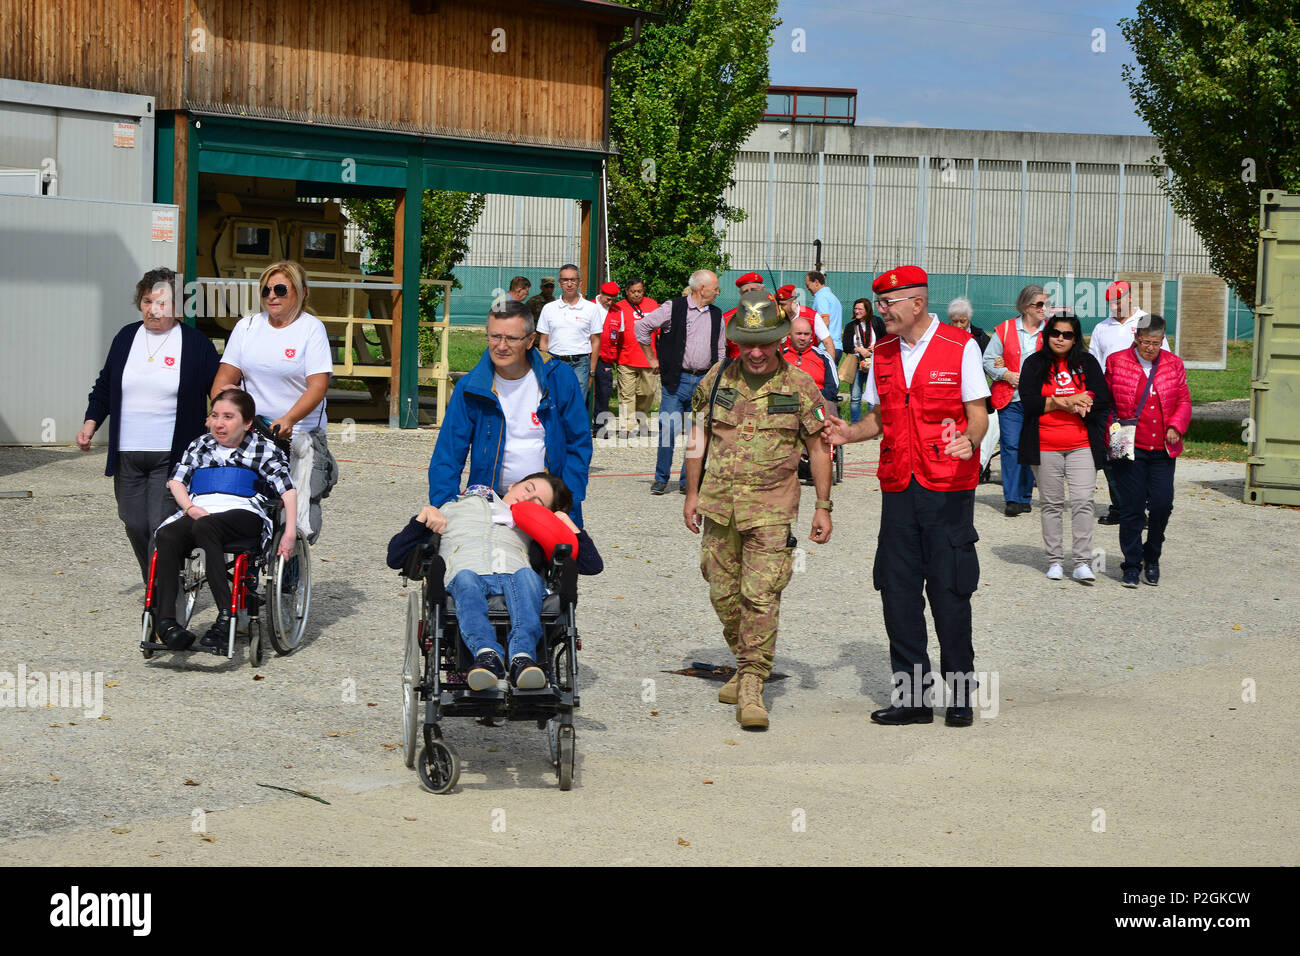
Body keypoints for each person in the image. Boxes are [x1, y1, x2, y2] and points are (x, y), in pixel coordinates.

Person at [823, 266, 989, 728]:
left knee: (950, 591)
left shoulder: (962, 347)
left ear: (916, 303)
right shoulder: (884, 353)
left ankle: (959, 695)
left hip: (947, 489)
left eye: (888, 303)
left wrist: (970, 442)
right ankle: (912, 698)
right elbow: (880, 418)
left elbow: (978, 414)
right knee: (897, 593)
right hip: (898, 486)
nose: (881, 311)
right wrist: (848, 432)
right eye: (878, 304)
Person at [684, 291, 833, 730]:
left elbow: (819, 449)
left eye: (764, 342)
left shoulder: (800, 386)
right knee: (721, 591)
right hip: (719, 504)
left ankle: (752, 680)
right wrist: (690, 495)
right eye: (747, 342)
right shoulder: (716, 380)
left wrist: (823, 505)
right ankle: (747, 660)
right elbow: (698, 439)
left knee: (760, 594)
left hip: (772, 507)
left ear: (780, 341)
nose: (755, 351)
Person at [77, 267, 220, 584]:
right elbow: (104, 388)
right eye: (147, 301)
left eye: (162, 303)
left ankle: (159, 602)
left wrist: (223, 420)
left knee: (160, 525)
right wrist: (91, 423)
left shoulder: (196, 345)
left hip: (171, 455)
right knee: (133, 523)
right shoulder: (126, 337)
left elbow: (219, 391)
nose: (153, 310)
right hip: (128, 452)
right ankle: (157, 581)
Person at [405, 473, 601, 689]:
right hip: (466, 573)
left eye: (537, 502)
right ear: (513, 485)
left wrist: (566, 523)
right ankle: (487, 656)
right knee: (465, 577)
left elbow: (592, 565)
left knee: (527, 576)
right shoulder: (451, 509)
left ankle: (522, 657)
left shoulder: (533, 528)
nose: (527, 499)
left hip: (515, 576)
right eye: (528, 489)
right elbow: (395, 557)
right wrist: (422, 517)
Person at [151, 389, 296, 650]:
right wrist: (190, 508)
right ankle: (167, 623)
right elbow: (176, 482)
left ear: (247, 422)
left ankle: (226, 615)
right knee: (167, 534)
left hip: (244, 513)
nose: (219, 423)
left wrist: (289, 533)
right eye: (215, 415)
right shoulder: (200, 445)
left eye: (228, 417)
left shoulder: (263, 448)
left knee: (205, 526)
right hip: (201, 511)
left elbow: (288, 490)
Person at [428, 298, 593, 527]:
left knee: (569, 560)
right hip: (489, 504)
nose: (501, 346)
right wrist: (445, 507)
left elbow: (579, 444)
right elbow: (448, 455)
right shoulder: (470, 388)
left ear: (530, 340)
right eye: (495, 336)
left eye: (511, 338)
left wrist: (567, 502)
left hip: (548, 508)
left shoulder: (559, 378)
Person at [210, 259, 337, 542]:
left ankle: (289, 568)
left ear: (302, 293)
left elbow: (317, 387)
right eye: (266, 290)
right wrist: (226, 411)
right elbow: (223, 380)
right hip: (253, 430)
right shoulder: (247, 327)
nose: (272, 296)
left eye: (281, 289)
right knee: (245, 498)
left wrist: (289, 419)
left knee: (296, 511)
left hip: (298, 432)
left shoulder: (311, 329)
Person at [1018, 312, 1113, 583]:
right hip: (1045, 444)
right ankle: (1055, 561)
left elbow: (1100, 396)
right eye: (1055, 333)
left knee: (1083, 502)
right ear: (1047, 335)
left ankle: (1082, 562)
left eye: (1067, 334)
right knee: (1052, 504)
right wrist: (1064, 401)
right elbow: (1029, 402)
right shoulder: (1035, 363)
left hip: (1081, 444)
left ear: (1075, 339)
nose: (1060, 338)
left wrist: (1086, 400)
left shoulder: (1087, 362)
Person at [1104, 314, 1191, 588]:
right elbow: (1106, 402)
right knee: (1131, 509)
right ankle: (1131, 564)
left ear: (1162, 340)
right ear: (1136, 338)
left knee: (1162, 505)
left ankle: (1151, 557)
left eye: (1156, 343)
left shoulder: (1174, 364)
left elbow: (1184, 401)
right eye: (1145, 342)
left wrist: (1177, 424)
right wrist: (1113, 431)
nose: (1150, 348)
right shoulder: (1117, 361)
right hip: (1131, 447)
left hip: (1162, 449)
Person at [634, 269, 726, 495]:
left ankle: (688, 481)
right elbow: (642, 327)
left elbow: (721, 348)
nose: (718, 292)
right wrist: (651, 358)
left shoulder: (716, 313)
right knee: (669, 429)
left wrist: (719, 375)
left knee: (699, 432)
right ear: (701, 288)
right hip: (677, 379)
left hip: (704, 380)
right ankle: (661, 478)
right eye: (715, 288)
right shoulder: (673, 307)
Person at [1089, 279, 1170, 526]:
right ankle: (1121, 506)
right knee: (1117, 456)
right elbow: (1094, 365)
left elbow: (1165, 359)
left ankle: (1140, 507)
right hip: (1115, 404)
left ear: (1131, 298)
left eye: (1118, 300)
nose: (1114, 306)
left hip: (1145, 402)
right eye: (1110, 303)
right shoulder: (1102, 328)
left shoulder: (1147, 323)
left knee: (1143, 455)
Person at [983, 284, 1047, 517]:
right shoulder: (1005, 329)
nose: (1044, 308)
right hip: (1010, 399)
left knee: (1031, 447)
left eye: (1045, 304)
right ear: (1025, 306)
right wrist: (1005, 374)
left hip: (1039, 401)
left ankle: (1025, 495)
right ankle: (1011, 497)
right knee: (1011, 447)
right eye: (1039, 304)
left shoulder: (1050, 332)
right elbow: (989, 359)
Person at [537, 263, 603, 404]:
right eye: (565, 280)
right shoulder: (549, 308)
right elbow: (544, 341)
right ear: (560, 283)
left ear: (580, 283)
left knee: (576, 404)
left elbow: (596, 341)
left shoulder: (591, 308)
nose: (569, 284)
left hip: (581, 364)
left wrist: (592, 371)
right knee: (555, 402)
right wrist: (545, 366)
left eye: (573, 280)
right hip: (555, 362)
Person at [948, 297, 999, 476]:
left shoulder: (980, 336)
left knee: (980, 427)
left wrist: (997, 363)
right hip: (952, 392)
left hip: (975, 391)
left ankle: (980, 466)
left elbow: (988, 360)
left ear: (969, 319)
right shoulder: (945, 336)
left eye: (963, 321)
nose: (960, 325)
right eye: (955, 321)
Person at [611, 278, 659, 437]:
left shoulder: (653, 305)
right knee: (626, 394)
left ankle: (640, 419)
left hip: (648, 359)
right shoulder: (618, 307)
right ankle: (628, 427)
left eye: (639, 291)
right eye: (633, 291)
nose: (637, 294)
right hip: (626, 358)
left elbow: (660, 332)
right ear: (627, 292)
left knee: (648, 392)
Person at [842, 297, 885, 423]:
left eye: (860, 309)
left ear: (867, 310)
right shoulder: (850, 326)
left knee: (872, 397)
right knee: (855, 397)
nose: (857, 311)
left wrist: (876, 347)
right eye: (855, 308)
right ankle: (856, 424)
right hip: (856, 364)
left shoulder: (877, 322)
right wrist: (859, 349)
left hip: (873, 364)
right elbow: (846, 346)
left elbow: (886, 339)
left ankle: (873, 426)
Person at [782, 316, 840, 406]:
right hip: (786, 407)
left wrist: (808, 397)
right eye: (799, 333)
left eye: (806, 334)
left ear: (811, 336)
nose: (802, 338)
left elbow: (832, 388)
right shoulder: (780, 357)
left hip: (818, 405)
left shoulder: (824, 357)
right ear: (789, 334)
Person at [592, 281, 621, 436]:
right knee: (585, 390)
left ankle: (599, 427)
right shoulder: (589, 306)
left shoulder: (617, 311)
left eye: (613, 299)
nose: (610, 302)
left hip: (606, 357)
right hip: (588, 355)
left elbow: (620, 334)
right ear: (601, 294)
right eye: (608, 299)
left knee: (604, 392)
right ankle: (582, 425)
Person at [775, 285, 836, 356]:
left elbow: (828, 342)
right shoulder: (776, 317)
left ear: (793, 301)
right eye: (778, 305)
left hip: (808, 362)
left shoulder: (812, 316)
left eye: (783, 305)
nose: (780, 309)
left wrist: (830, 365)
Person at [721, 272, 766, 359]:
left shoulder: (776, 314)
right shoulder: (727, 319)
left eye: (754, 290)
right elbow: (724, 350)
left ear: (763, 290)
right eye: (745, 291)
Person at [806, 271, 843, 357]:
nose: (807, 289)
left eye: (808, 285)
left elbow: (825, 322)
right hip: (836, 346)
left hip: (825, 348)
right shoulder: (832, 296)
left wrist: (814, 342)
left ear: (816, 282)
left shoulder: (821, 297)